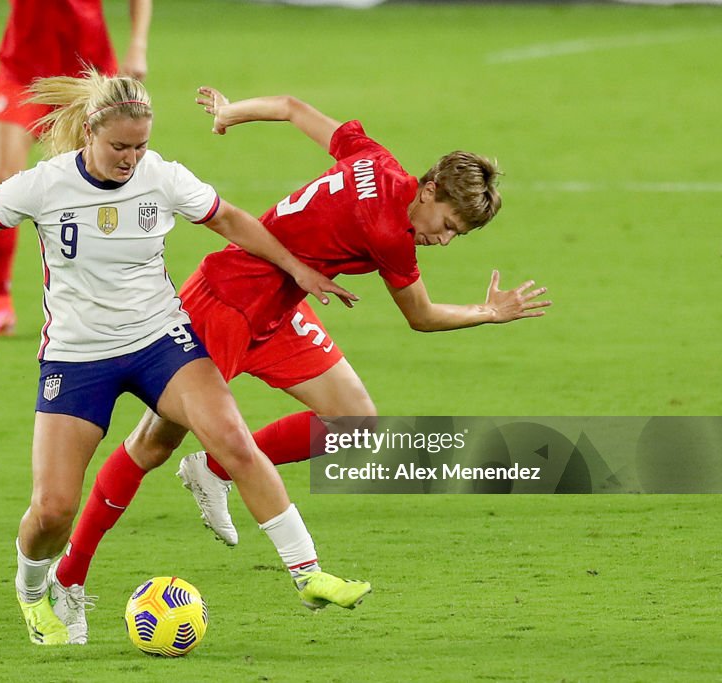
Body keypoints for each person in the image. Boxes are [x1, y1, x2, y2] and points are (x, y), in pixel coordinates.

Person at [0, 72, 371, 647]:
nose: (132, 158)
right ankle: (35, 589)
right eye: (120, 147)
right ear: (89, 132)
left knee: (231, 439)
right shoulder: (44, 185)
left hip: (160, 341)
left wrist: (296, 267)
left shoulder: (162, 178)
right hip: (77, 357)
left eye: (141, 146)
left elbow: (229, 218)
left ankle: (309, 574)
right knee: (52, 510)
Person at [49, 85, 551, 599]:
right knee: (153, 443)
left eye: (456, 236)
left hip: (282, 304)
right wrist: (490, 312)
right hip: (225, 301)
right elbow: (420, 316)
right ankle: (69, 577)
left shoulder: (376, 158)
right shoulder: (388, 233)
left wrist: (231, 112)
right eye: (447, 225)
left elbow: (290, 108)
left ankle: (213, 468)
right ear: (429, 191)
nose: (443, 240)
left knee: (355, 421)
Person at [0, 0, 152, 337]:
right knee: (2, 179)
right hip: (22, 71)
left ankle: (104, 301)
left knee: (96, 185)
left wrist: (138, 45)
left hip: (89, 74)